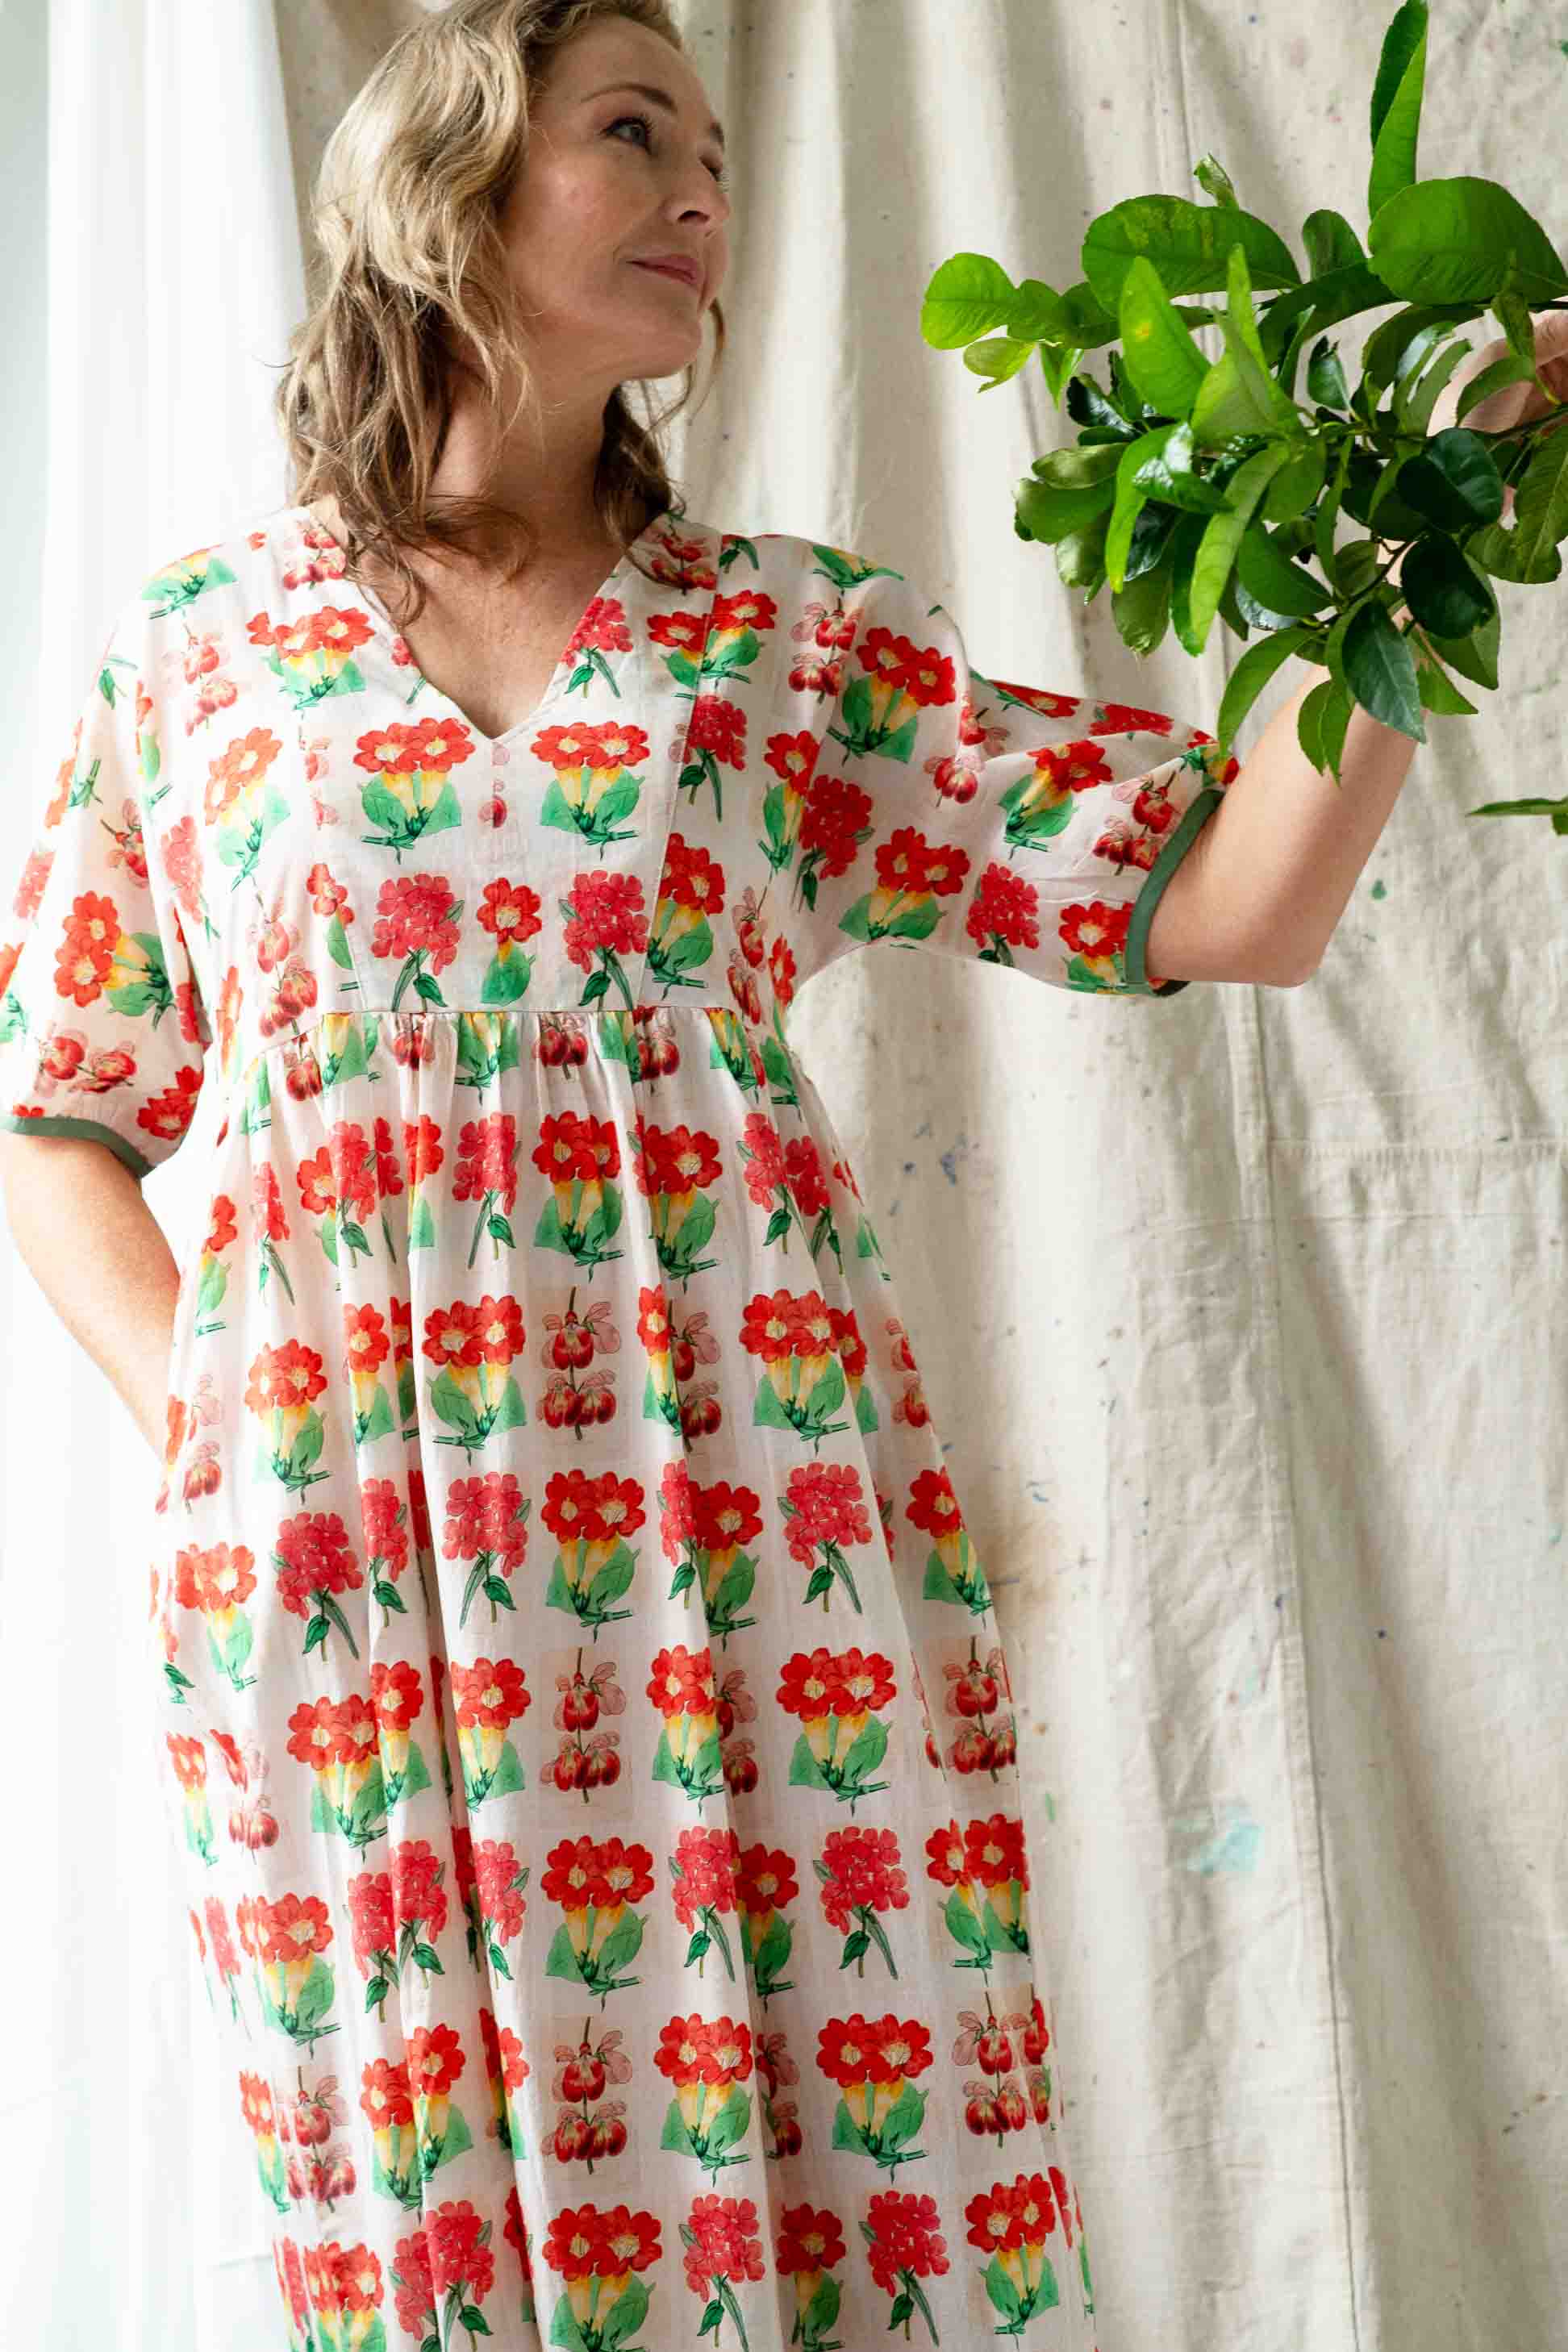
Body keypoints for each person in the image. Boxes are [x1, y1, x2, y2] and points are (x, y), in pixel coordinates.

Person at [0, 4, 1245, 2346]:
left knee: (834, 2171)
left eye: (716, 151)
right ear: (454, 187)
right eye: (632, 134)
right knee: (425, 2218)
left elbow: (1226, 890)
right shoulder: (201, 658)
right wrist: (222, 1438)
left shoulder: (782, 641)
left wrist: (1409, 555)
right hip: (349, 1578)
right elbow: (59, 1109)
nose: (703, 190)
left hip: (748, 1522)